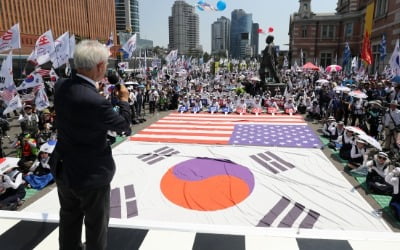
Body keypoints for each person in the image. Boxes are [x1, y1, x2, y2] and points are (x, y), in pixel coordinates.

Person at [51, 40, 131, 250]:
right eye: (105, 64)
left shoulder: (60, 86)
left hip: (64, 168)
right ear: (98, 66)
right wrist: (123, 99)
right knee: (96, 226)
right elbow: (124, 126)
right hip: (91, 176)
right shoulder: (96, 102)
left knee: (69, 218)